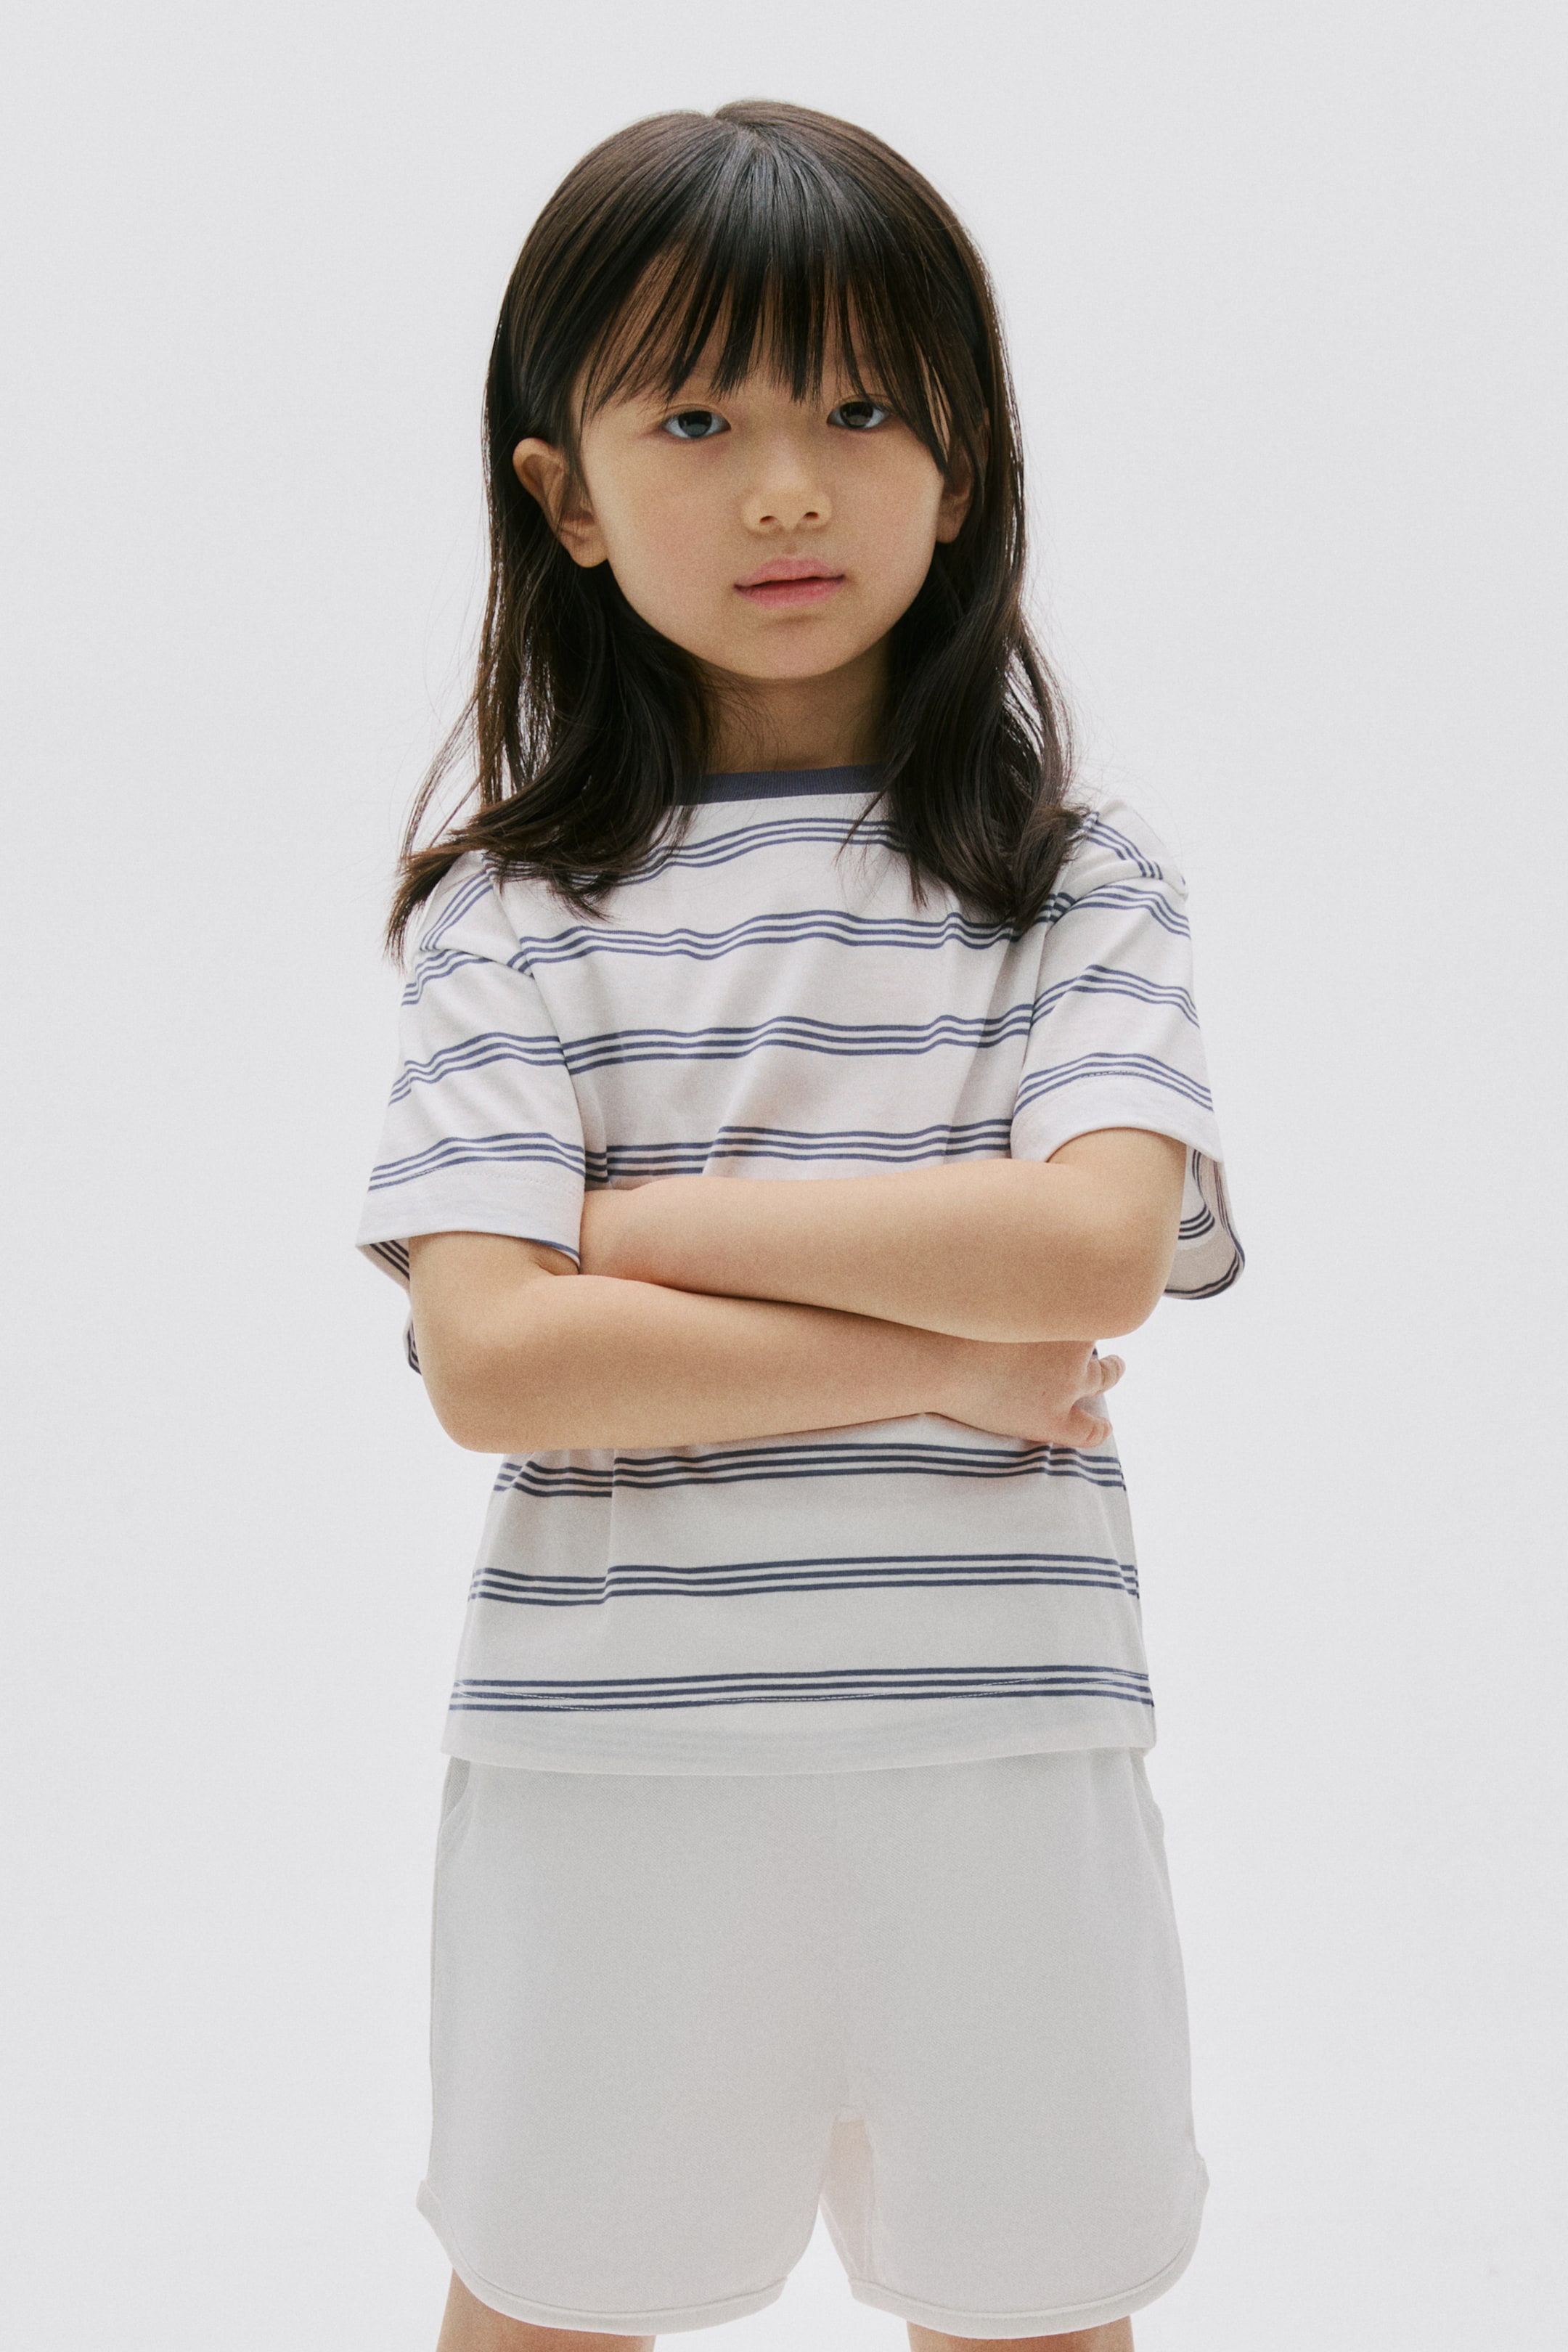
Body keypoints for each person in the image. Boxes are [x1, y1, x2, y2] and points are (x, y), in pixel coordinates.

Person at [355, 98, 1242, 2352]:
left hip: (1005, 1760)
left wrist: (640, 1236)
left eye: (860, 407)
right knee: (549, 2301)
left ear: (966, 463)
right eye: (697, 410)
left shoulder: (1072, 884)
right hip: (614, 1774)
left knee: (1040, 2307)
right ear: (561, 489)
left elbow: (1093, 1256)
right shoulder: (512, 918)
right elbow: (500, 1370)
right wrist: (939, 1356)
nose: (785, 484)